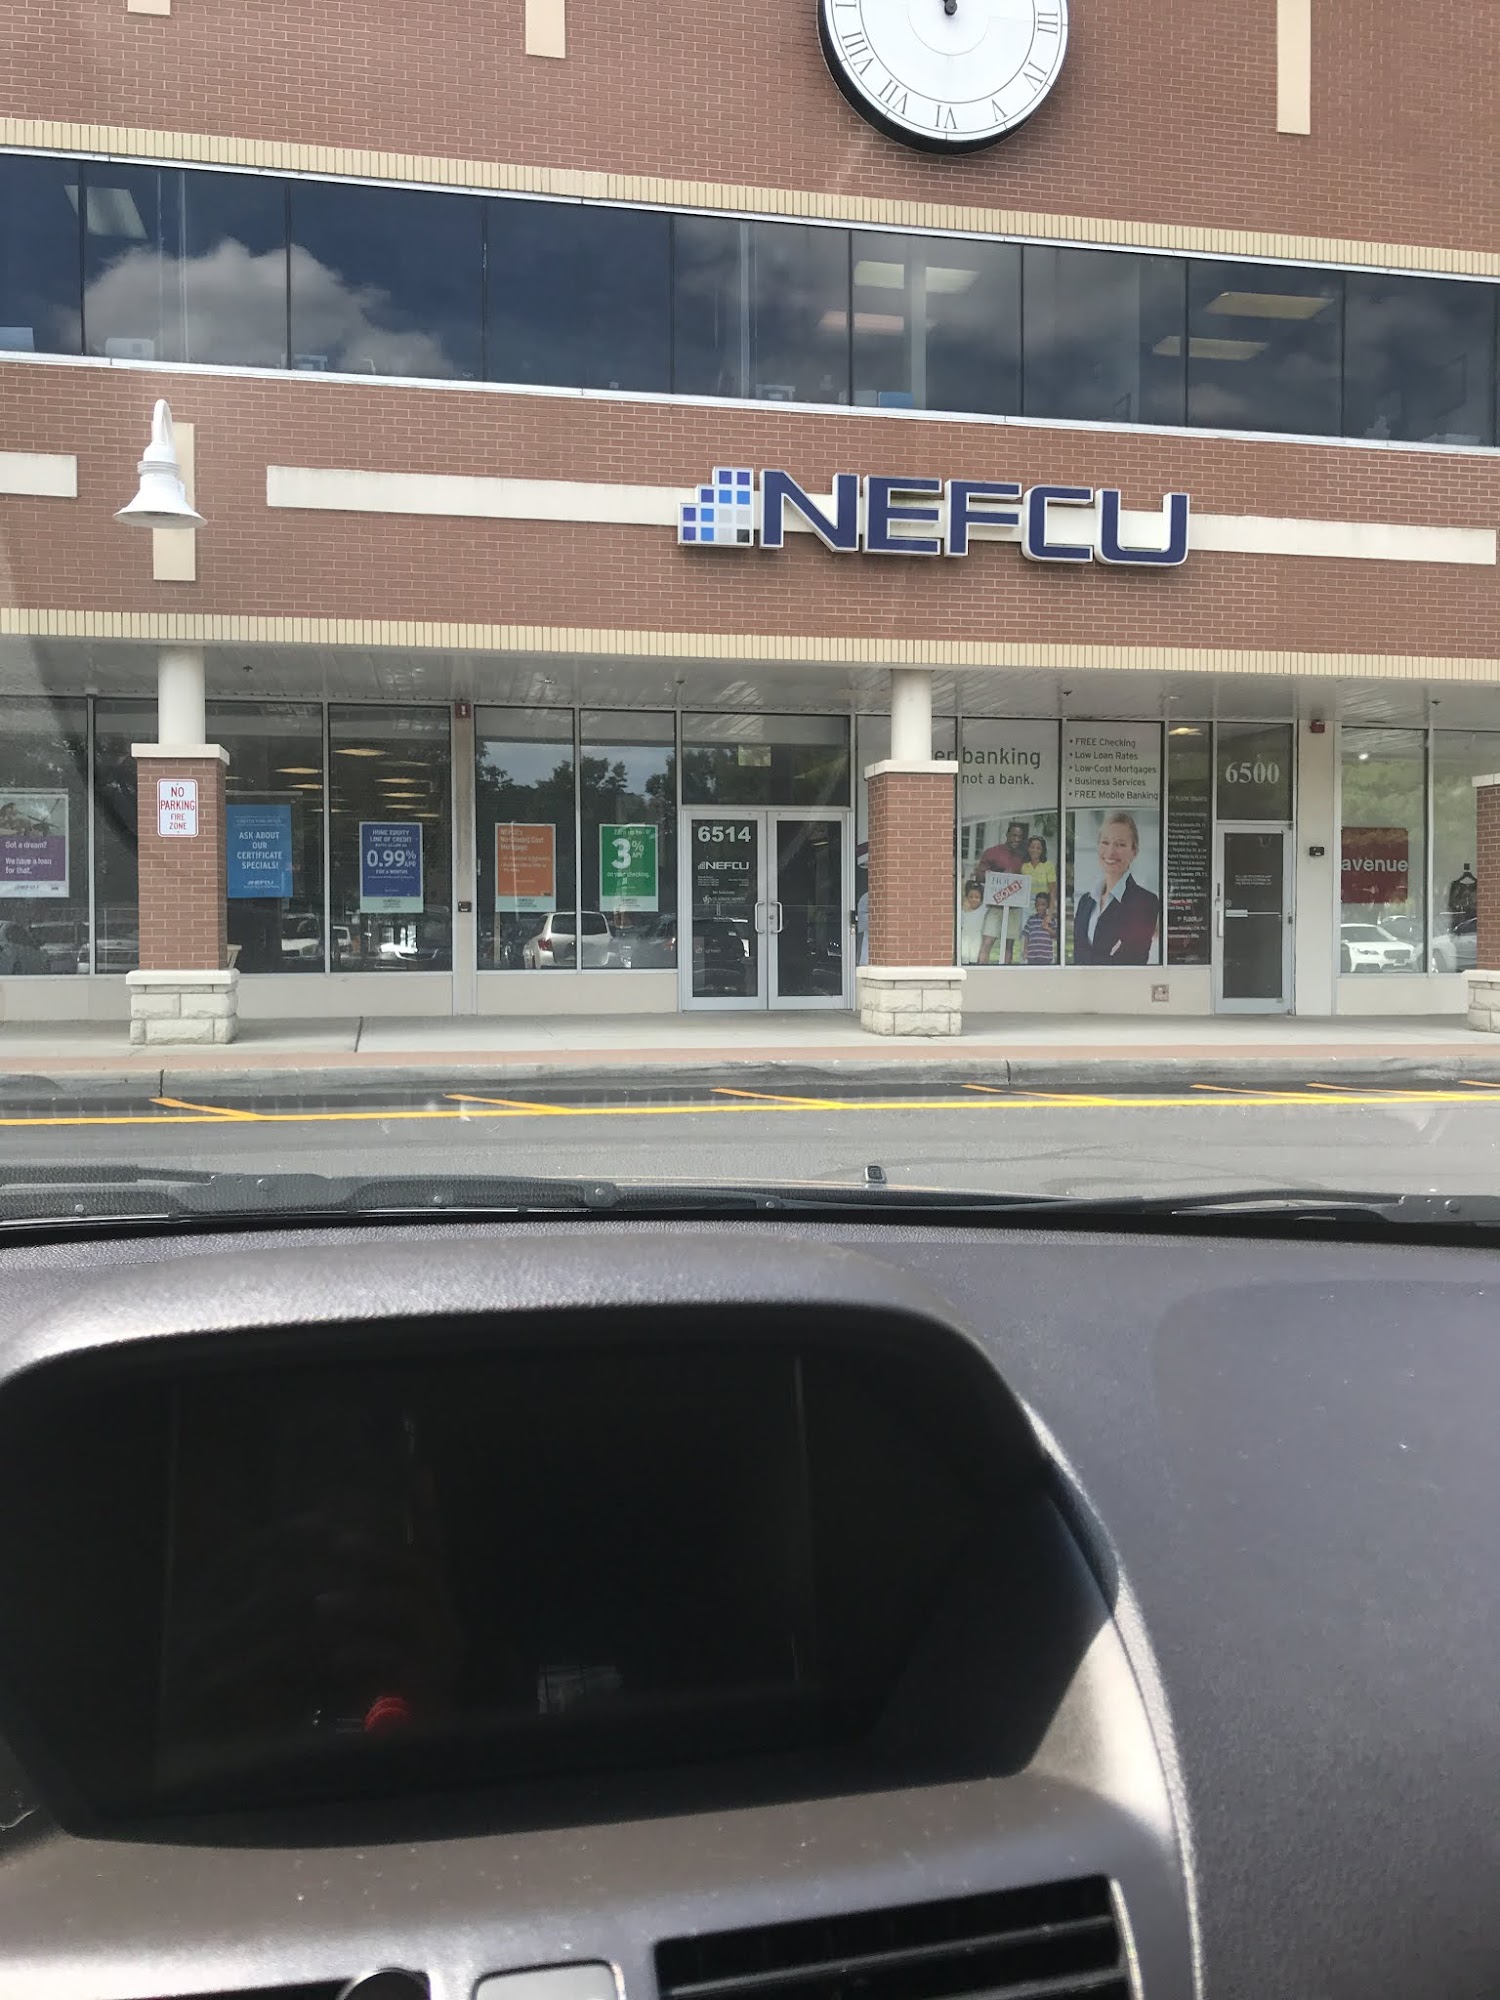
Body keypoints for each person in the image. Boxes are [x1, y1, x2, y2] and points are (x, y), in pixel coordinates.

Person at [1072, 811, 1161, 965]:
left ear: (1134, 851)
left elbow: (1130, 961)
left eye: (1120, 844)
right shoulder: (1085, 901)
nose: (1110, 852)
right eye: (1105, 842)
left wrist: (1088, 958)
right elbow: (1076, 954)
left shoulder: (1145, 902)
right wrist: (1105, 957)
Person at [1021, 891, 1057, 965]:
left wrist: (1048, 928)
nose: (1040, 907)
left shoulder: (1051, 920)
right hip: (1032, 955)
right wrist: (1025, 950)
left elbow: (1055, 935)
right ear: (1035, 905)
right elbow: (1026, 936)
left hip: (1046, 956)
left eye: (1043, 905)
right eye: (1038, 904)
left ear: (1047, 906)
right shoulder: (1031, 920)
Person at [1021, 833, 1057, 907]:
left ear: (1042, 850)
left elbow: (1052, 889)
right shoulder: (1023, 866)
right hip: (1026, 903)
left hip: (1043, 904)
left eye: (1038, 848)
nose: (1035, 850)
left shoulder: (1048, 866)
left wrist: (1051, 908)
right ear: (1028, 849)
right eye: (1032, 847)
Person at [959, 879, 987, 965]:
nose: (973, 899)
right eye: (970, 897)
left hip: (976, 939)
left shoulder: (982, 910)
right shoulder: (962, 911)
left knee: (974, 959)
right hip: (964, 938)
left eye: (977, 897)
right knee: (963, 957)